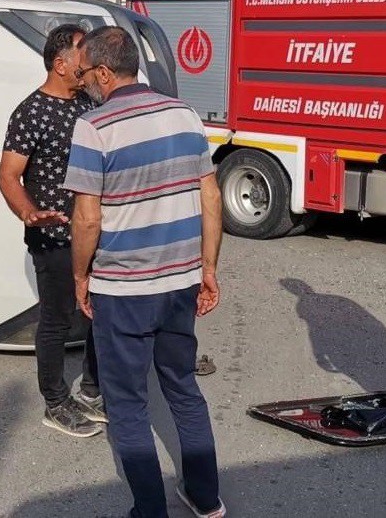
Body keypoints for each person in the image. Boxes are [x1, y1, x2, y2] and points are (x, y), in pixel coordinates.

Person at [64, 26, 225, 518]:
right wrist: (209, 268)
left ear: (106, 72)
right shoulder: (184, 114)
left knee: (128, 403)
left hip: (124, 288)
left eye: (86, 71)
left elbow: (87, 217)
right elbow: (211, 196)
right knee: (182, 387)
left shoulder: (94, 127)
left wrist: (79, 276)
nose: (82, 80)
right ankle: (205, 498)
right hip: (180, 281)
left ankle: (150, 511)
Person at [0, 23, 105, 438]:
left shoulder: (89, 102)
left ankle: (93, 391)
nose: (90, 55)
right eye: (83, 50)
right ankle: (56, 401)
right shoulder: (30, 112)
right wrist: (29, 212)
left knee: (101, 312)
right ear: (61, 63)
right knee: (58, 318)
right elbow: (9, 176)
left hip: (94, 229)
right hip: (55, 235)